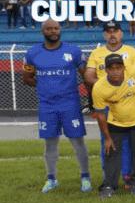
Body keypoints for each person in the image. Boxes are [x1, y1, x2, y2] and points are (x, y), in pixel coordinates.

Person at [22, 20, 92, 193]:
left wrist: (91, 97)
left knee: (78, 141)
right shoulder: (32, 53)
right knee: (50, 143)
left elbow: (87, 76)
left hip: (70, 103)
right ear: (42, 32)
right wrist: (45, 84)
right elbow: (27, 78)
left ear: (60, 30)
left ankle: (85, 178)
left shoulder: (73, 50)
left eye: (56, 28)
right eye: (49, 29)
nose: (53, 31)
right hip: (47, 105)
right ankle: (52, 179)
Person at [85, 21, 135, 190]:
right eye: (108, 31)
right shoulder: (97, 53)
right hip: (107, 104)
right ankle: (108, 179)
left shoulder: (132, 52)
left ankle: (128, 178)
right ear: (104, 34)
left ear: (121, 33)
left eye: (115, 31)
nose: (112, 34)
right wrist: (108, 89)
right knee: (108, 141)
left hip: (129, 103)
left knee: (129, 144)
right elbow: (89, 76)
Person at [92, 53, 135, 198]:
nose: (115, 72)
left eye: (118, 68)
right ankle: (109, 186)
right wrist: (107, 138)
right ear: (106, 70)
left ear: (124, 68)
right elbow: (100, 115)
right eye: (111, 68)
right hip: (116, 121)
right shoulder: (99, 87)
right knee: (111, 152)